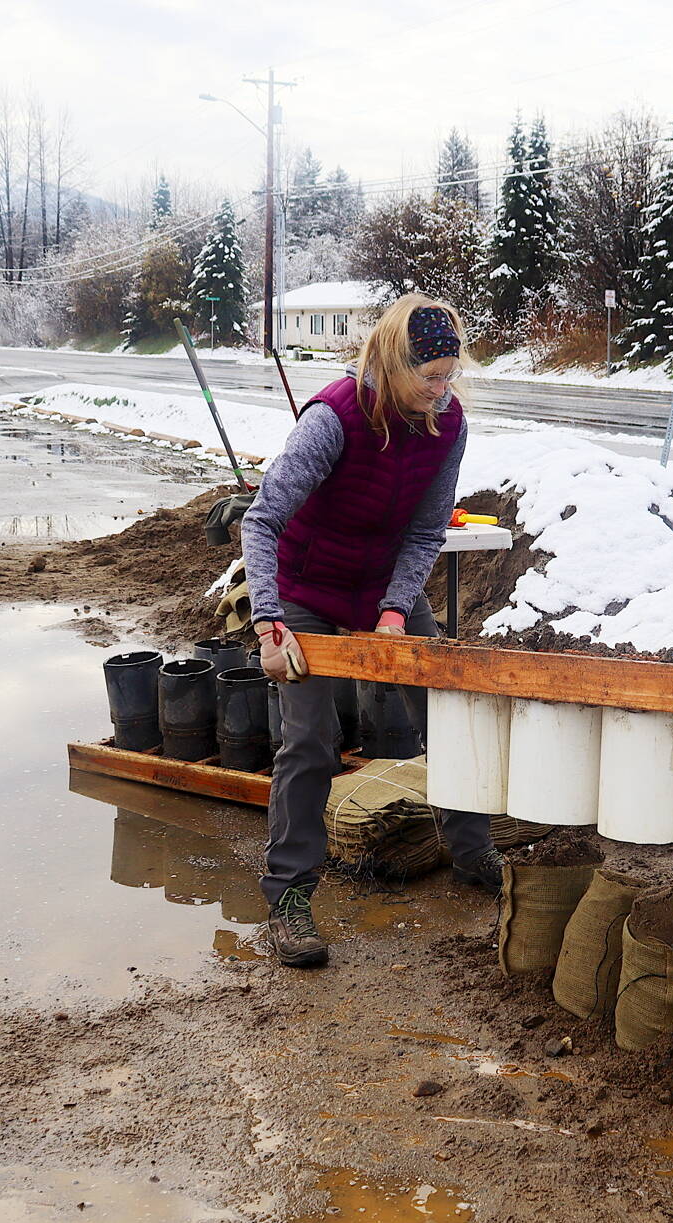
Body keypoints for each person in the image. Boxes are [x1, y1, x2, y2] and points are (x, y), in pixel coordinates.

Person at [239, 294, 502, 969]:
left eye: (450, 375)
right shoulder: (333, 419)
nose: (442, 390)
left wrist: (394, 608)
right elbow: (261, 520)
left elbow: (424, 530)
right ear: (394, 362)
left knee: (443, 706)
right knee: (310, 739)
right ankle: (289, 899)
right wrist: (269, 616)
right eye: (430, 377)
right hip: (306, 592)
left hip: (383, 585)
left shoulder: (448, 425)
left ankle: (472, 852)